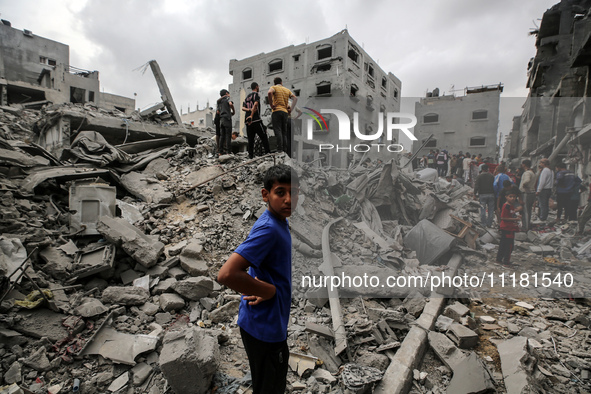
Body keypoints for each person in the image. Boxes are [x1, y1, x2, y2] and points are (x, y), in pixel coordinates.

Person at [217, 164, 299, 394]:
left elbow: (256, 263)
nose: (289, 200)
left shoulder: (278, 222)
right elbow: (227, 274)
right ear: (266, 195)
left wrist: (260, 283)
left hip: (266, 323)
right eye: (281, 192)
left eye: (294, 193)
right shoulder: (269, 229)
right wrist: (268, 291)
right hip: (265, 329)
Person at [268, 77, 297, 156]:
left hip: (276, 111)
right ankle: (285, 150)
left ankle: (280, 149)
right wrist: (291, 109)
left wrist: (271, 104)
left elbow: (270, 93)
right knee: (284, 132)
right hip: (285, 113)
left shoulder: (273, 87)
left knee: (278, 130)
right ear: (281, 82)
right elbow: (295, 98)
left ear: (274, 83)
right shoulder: (286, 90)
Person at [243, 82, 271, 159]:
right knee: (264, 136)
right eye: (258, 86)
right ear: (256, 87)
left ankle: (250, 156)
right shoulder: (256, 95)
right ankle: (268, 153)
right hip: (256, 120)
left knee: (250, 139)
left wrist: (249, 110)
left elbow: (243, 108)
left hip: (247, 121)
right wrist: (251, 115)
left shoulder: (247, 97)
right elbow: (255, 104)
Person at [496, 191, 521, 267]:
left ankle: (499, 259)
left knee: (503, 244)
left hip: (509, 227)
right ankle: (506, 261)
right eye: (510, 196)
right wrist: (515, 219)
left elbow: (511, 215)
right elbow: (503, 217)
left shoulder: (511, 206)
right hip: (507, 228)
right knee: (509, 245)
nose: (513, 198)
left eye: (514, 197)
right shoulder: (506, 206)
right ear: (506, 197)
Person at [474, 163, 495, 228]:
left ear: (482, 169)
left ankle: (483, 224)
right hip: (491, 194)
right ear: (487, 169)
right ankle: (489, 224)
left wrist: (474, 194)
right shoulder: (492, 176)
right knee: (491, 210)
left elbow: (476, 186)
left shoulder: (479, 176)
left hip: (482, 195)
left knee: (483, 209)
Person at [519, 159, 536, 231]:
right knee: (528, 210)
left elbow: (527, 180)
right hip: (532, 193)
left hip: (526, 193)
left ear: (524, 165)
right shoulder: (532, 172)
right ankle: (527, 225)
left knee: (525, 211)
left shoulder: (527, 173)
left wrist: (524, 185)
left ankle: (525, 227)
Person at [217, 89, 235, 156]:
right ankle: (228, 152)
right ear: (227, 93)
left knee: (222, 136)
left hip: (221, 119)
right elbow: (230, 104)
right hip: (227, 118)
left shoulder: (219, 102)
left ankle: (220, 152)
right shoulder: (227, 98)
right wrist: (233, 111)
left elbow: (218, 112)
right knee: (228, 135)